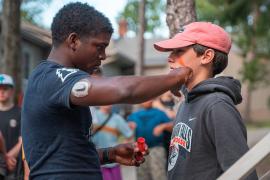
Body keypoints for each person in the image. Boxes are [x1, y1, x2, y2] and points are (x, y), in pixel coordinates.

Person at [21, 2, 192, 180]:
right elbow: (123, 90)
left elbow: (63, 156)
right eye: (99, 46)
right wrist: (175, 77)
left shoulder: (60, 83)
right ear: (74, 41)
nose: (103, 56)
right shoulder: (53, 77)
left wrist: (109, 154)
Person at [154, 22, 258, 180]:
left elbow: (243, 173)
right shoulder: (185, 103)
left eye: (179, 51)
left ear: (206, 56)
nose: (170, 58)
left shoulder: (217, 106)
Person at [128, 100, 170, 180]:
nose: (147, 101)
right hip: (140, 151)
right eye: (144, 99)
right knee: (142, 176)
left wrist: (163, 126)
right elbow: (126, 132)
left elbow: (173, 126)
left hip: (157, 148)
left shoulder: (160, 113)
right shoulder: (134, 115)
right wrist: (129, 126)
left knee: (159, 175)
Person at [91, 105, 133, 180]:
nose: (107, 104)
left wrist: (122, 149)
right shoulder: (93, 115)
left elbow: (129, 135)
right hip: (96, 160)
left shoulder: (117, 118)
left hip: (113, 160)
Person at [0, 74, 22, 180]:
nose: (1, 92)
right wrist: (4, 158)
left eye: (5, 88)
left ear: (12, 91)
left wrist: (8, 157)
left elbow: (23, 140)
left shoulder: (20, 113)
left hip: (14, 167)